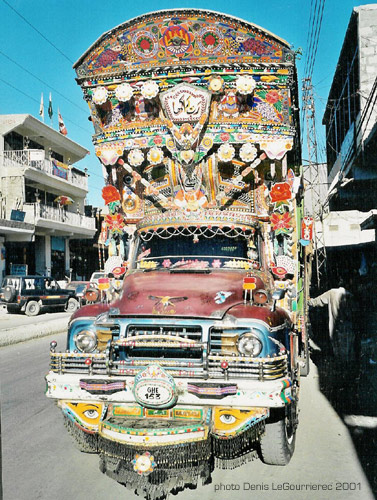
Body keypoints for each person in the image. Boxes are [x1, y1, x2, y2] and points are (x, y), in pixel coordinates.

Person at [308, 279, 355, 361]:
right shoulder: (350, 296)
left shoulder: (332, 292)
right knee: (347, 348)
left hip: (335, 327)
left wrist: (309, 301)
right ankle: (346, 366)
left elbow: (318, 301)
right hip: (347, 327)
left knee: (337, 348)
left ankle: (339, 365)